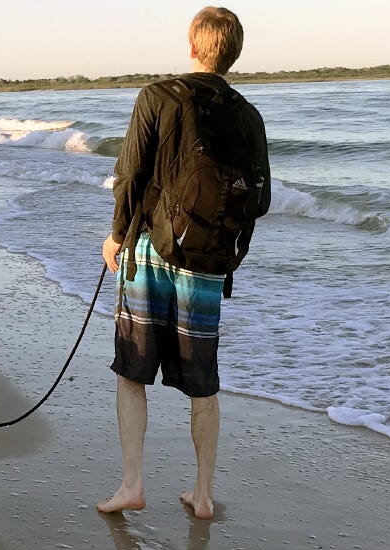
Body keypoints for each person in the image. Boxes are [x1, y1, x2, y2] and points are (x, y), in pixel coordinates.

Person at [97, 6, 270, 520]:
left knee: (132, 368)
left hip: (151, 250)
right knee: (203, 380)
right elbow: (259, 201)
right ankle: (203, 494)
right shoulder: (249, 115)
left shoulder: (157, 96)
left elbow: (130, 174)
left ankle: (132, 484)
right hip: (210, 262)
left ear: (192, 45)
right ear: (233, 54)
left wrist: (114, 237)